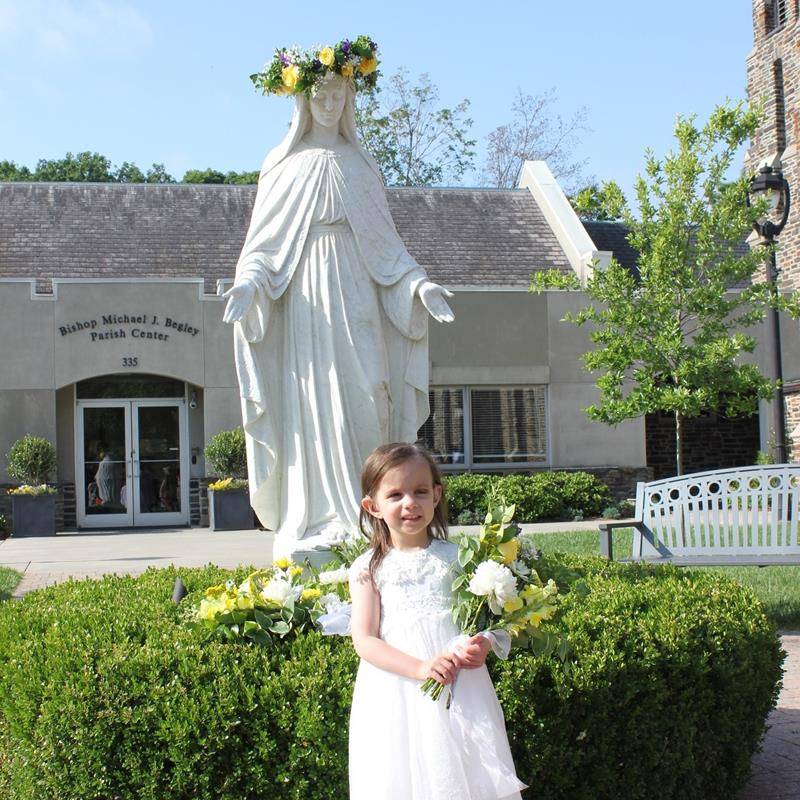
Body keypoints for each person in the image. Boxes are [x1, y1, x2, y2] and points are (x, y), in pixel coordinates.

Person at [222, 43, 454, 560]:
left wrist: (419, 285)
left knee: (371, 397)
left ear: (349, 98)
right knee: (314, 404)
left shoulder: (360, 167)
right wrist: (248, 286)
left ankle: (371, 514)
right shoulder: (283, 165)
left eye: (337, 94)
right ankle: (321, 517)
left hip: (359, 298)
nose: (329, 104)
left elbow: (389, 250)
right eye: (320, 95)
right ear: (303, 101)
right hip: (305, 303)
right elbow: (262, 249)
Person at [348, 442, 526, 800]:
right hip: (398, 689)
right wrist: (419, 668)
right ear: (373, 506)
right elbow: (364, 639)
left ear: (436, 495)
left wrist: (485, 644)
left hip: (462, 688)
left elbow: (493, 618)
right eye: (395, 494)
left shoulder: (460, 558)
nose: (409, 503)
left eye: (420, 492)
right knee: (402, 773)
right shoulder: (369, 568)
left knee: (465, 768)